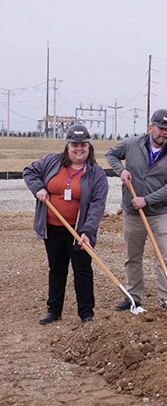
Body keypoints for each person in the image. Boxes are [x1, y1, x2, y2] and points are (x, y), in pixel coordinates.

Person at [23, 124, 108, 324]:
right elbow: (29, 172)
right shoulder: (52, 162)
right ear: (67, 146)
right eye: (75, 145)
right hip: (52, 227)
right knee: (57, 269)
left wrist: (87, 231)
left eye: (83, 145)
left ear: (89, 147)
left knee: (83, 270)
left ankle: (86, 312)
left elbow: (97, 205)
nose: (79, 149)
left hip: (79, 232)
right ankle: (54, 310)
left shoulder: (96, 174)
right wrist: (38, 189)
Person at [106, 109, 167, 310]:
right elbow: (111, 155)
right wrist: (121, 170)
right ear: (150, 127)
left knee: (165, 257)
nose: (164, 133)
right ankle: (134, 297)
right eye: (161, 128)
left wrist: (147, 200)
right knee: (133, 256)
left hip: (159, 213)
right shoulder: (132, 144)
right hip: (132, 213)